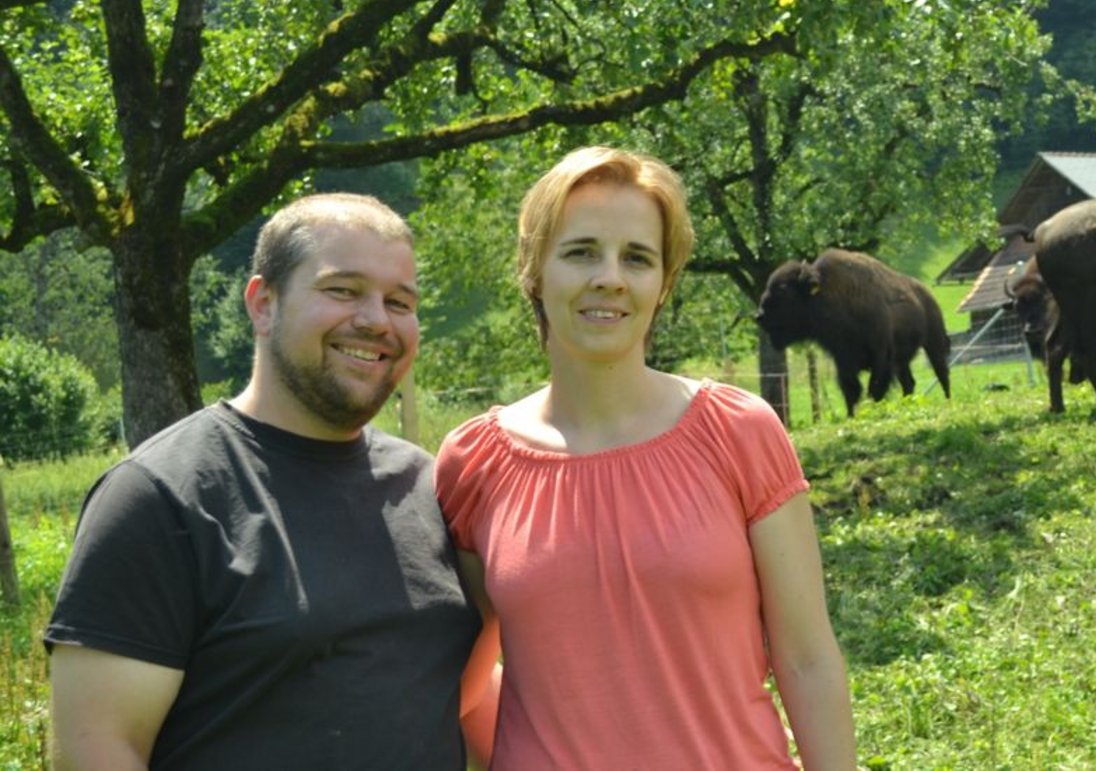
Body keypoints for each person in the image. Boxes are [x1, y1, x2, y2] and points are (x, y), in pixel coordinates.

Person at [436, 146, 858, 769]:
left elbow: (807, 659)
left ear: (663, 284)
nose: (610, 276)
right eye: (581, 251)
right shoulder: (474, 462)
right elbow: (461, 685)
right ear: (533, 270)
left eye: (637, 257)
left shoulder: (738, 432)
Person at [46, 193, 480, 770]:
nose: (376, 320)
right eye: (343, 290)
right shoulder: (160, 496)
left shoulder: (430, 487)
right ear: (262, 304)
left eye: (399, 301)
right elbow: (97, 751)